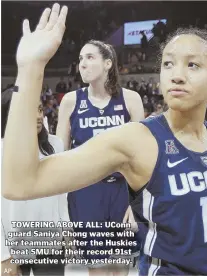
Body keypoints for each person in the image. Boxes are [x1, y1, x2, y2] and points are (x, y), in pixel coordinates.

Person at [2, 4, 207, 276]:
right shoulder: (138, 139)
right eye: (168, 63)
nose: (177, 74)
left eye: (192, 65)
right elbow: (20, 183)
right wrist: (31, 69)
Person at [56, 39, 144, 275]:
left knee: (121, 267)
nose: (82, 64)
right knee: (97, 269)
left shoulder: (131, 99)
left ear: (108, 63)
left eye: (90, 57)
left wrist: (138, 202)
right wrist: (60, 211)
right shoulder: (70, 101)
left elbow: (142, 157)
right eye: (80, 59)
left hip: (123, 191)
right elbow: (59, 157)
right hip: (85, 192)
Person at [1, 90, 68, 276]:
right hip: (13, 247)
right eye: (30, 110)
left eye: (39, 109)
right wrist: (3, 255)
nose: (39, 116)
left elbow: (61, 196)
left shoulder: (55, 145)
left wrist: (66, 230)